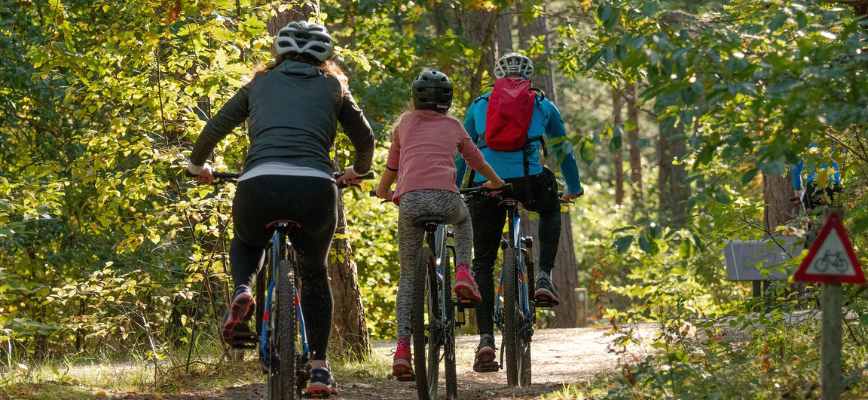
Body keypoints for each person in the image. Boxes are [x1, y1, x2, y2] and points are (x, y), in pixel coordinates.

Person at [186, 21, 374, 397]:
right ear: (326, 56)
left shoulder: (258, 84)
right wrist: (358, 171)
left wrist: (197, 166)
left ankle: (243, 289)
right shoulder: (334, 86)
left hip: (259, 183)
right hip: (315, 187)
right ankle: (319, 367)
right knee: (315, 274)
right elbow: (365, 137)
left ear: (279, 52)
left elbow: (216, 127)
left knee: (247, 240)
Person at [455, 52, 584, 373]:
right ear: (528, 76)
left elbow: (462, 151)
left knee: (482, 260)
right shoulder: (543, 105)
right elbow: (562, 150)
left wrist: (458, 186)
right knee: (551, 208)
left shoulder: (480, 104)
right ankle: (543, 277)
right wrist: (574, 186)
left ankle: (485, 340)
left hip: (488, 186)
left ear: (498, 76)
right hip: (529, 182)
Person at [375, 69, 505, 381]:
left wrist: (384, 192)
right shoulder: (454, 125)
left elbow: (393, 166)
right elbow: (476, 161)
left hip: (410, 202)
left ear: (415, 97)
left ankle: (403, 350)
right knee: (463, 219)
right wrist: (497, 183)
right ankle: (463, 270)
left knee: (408, 278)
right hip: (447, 199)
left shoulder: (404, 124)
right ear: (448, 100)